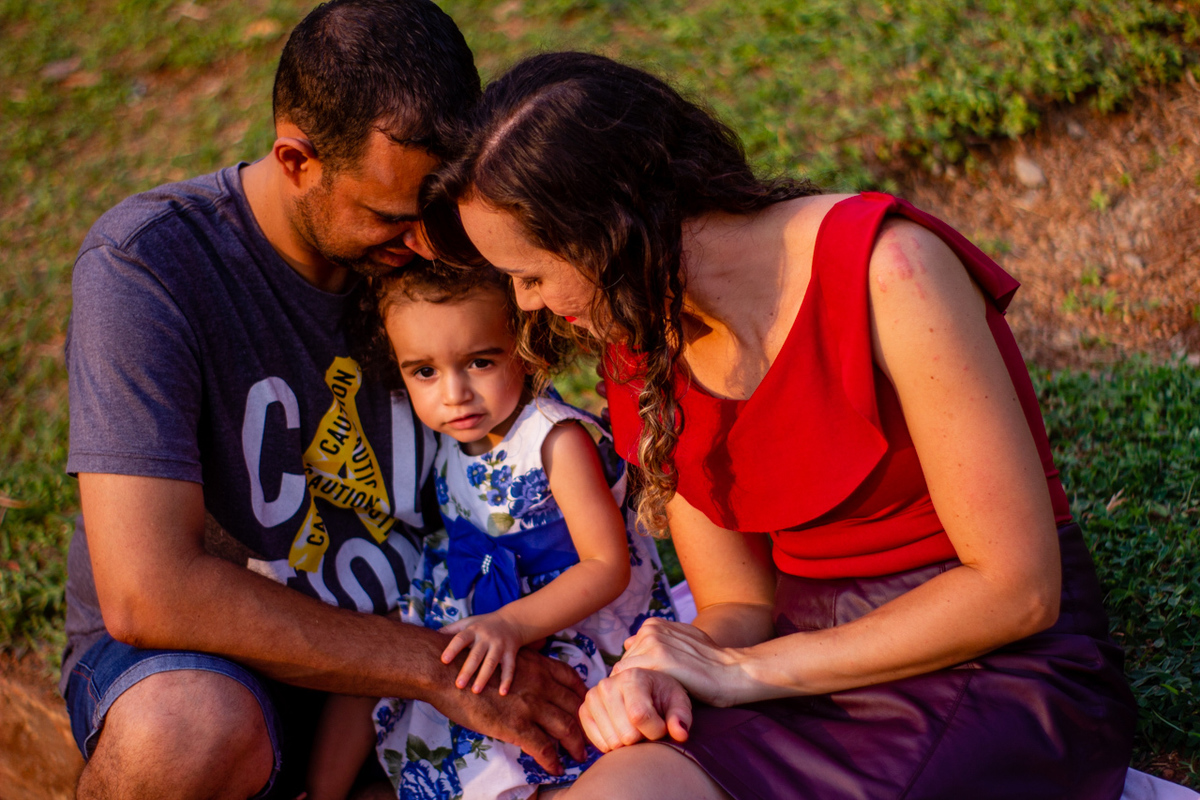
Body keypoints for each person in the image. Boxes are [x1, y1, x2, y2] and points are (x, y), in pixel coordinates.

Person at [418, 51, 1139, 800]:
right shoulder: (640, 333)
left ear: (610, 233)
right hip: (795, 663)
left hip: (990, 663)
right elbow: (739, 604)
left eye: (531, 274)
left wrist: (742, 672)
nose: (526, 303)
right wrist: (666, 668)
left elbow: (1017, 591)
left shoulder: (890, 271)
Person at [60, 6, 589, 799]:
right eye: (390, 219)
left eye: (436, 213)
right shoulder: (149, 265)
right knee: (183, 729)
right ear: (296, 159)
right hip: (219, 666)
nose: (425, 246)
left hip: (429, 643)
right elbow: (148, 592)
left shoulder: (445, 232)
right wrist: (434, 670)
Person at [307, 263, 675, 800]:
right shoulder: (451, 442)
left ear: (527, 349)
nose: (454, 393)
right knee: (372, 656)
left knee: (517, 730)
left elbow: (606, 566)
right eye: (424, 372)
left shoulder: (553, 439)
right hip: (477, 602)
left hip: (559, 619)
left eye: (480, 362)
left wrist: (509, 624)